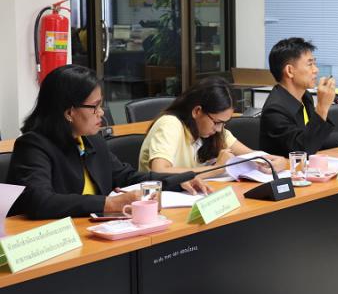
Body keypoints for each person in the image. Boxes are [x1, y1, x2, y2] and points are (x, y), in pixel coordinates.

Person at [8, 65, 210, 220]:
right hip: (53, 241)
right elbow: (40, 201)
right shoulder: (33, 146)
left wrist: (177, 180)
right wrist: (109, 203)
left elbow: (126, 176)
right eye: (95, 107)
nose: (101, 113)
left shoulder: (91, 140)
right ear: (69, 112)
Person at [139, 77, 287, 176]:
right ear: (197, 111)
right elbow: (159, 171)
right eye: (216, 122)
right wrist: (216, 168)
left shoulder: (214, 131)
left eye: (224, 123)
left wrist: (276, 161)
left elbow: (252, 155)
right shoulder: (170, 124)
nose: (219, 129)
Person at [259, 38, 338, 156]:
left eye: (314, 64)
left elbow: (317, 137)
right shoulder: (275, 110)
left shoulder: (305, 97)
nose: (316, 70)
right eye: (310, 64)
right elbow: (302, 150)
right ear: (290, 71)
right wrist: (322, 107)